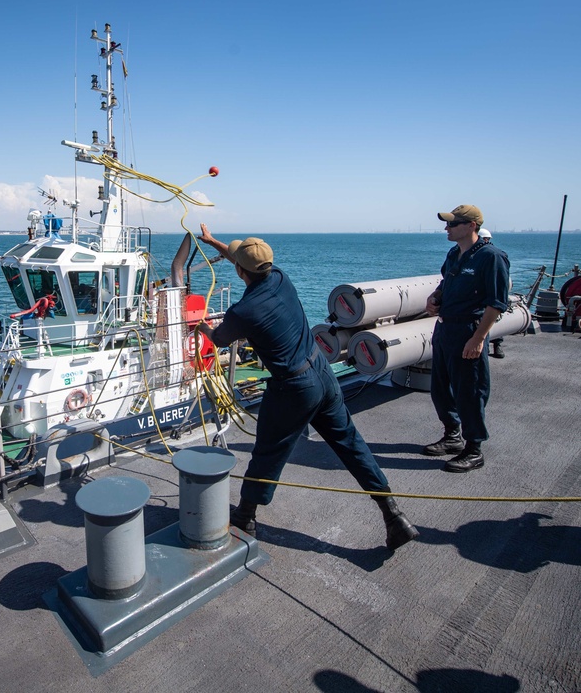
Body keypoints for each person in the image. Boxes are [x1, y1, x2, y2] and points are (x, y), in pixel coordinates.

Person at [195, 224, 418, 550]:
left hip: (293, 388)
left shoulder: (243, 310)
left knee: (268, 453)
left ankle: (245, 516)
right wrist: (213, 241)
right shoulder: (280, 278)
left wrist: (201, 324)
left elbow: (219, 338)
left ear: (240, 270)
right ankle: (392, 513)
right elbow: (245, 260)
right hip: (322, 373)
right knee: (351, 445)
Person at [423, 205, 510, 472]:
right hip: (446, 329)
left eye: (453, 224)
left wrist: (478, 338)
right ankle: (452, 436)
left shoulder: (491, 258)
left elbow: (496, 303)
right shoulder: (454, 254)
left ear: (471, 226)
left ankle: (474, 449)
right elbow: (445, 282)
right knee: (441, 387)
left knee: (470, 391)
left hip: (468, 330)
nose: (447, 228)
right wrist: (434, 297)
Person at [478, 228, 505, 358]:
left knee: (491, 321)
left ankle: (497, 345)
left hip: (489, 301)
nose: (485, 241)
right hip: (481, 302)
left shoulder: (494, 256)